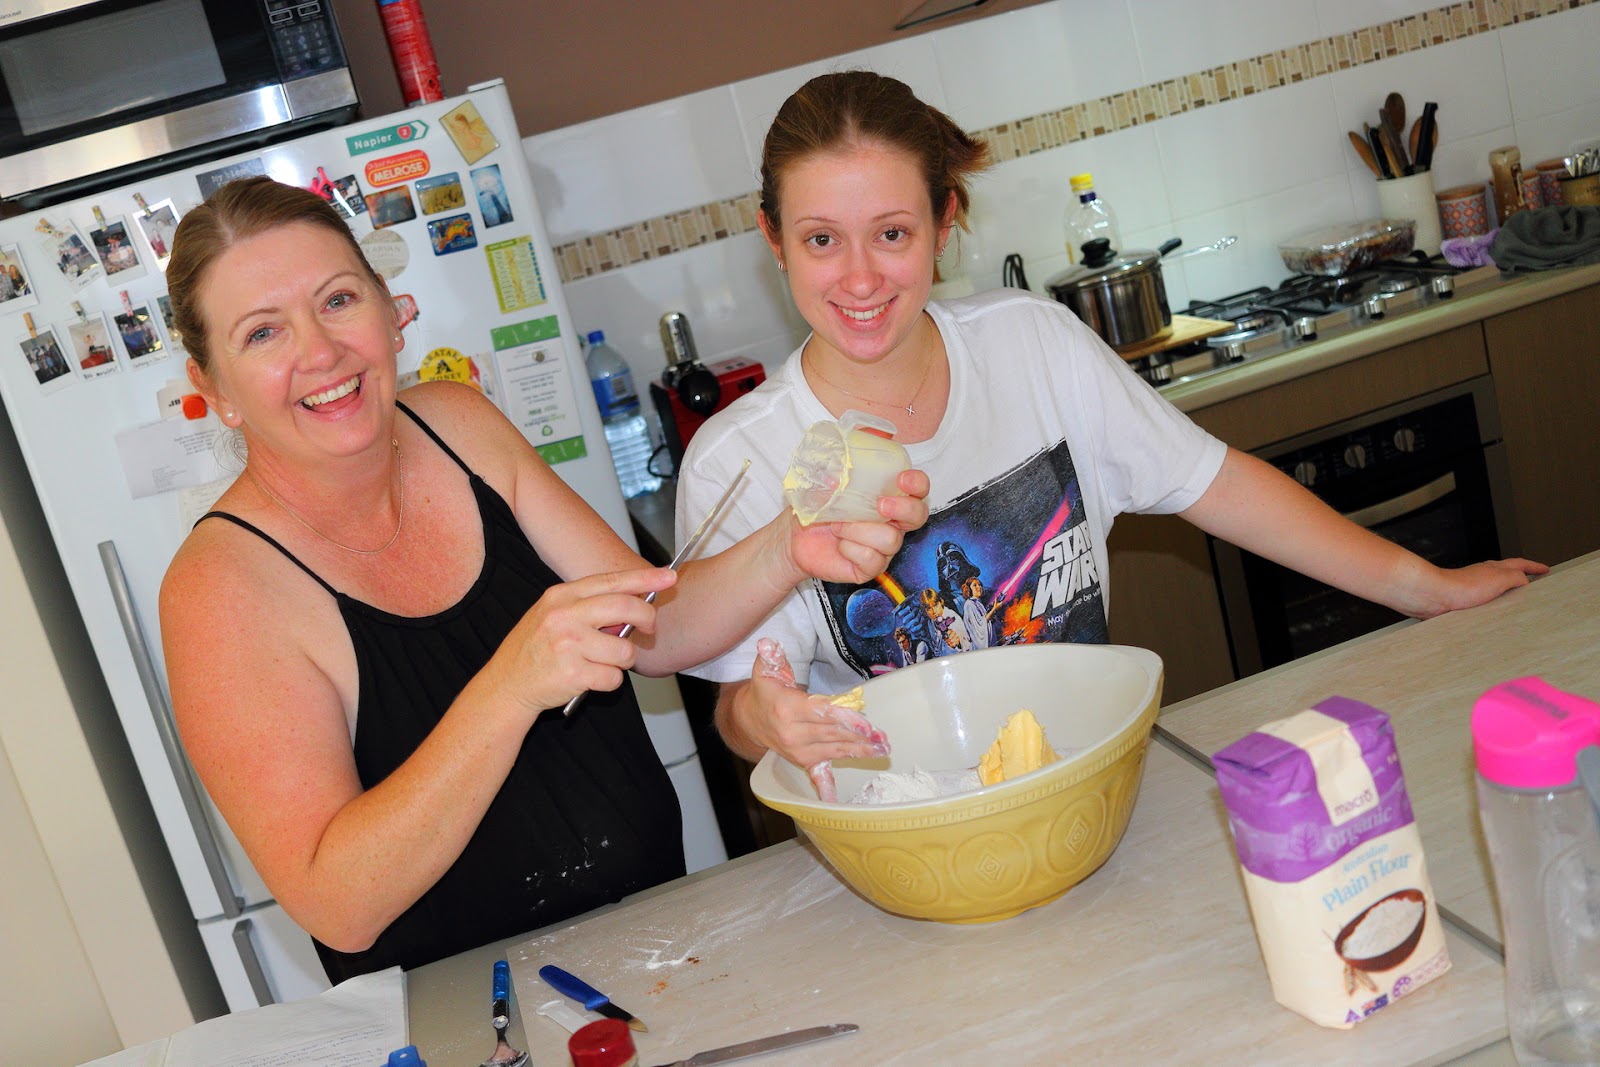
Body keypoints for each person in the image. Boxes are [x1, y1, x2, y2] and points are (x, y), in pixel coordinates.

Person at [674, 70, 1546, 793]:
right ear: (774, 239)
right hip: (903, 856)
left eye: (892, 233)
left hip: (1098, 793)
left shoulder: (1033, 345)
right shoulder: (740, 461)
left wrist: (1426, 588)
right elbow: (739, 709)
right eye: (822, 238)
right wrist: (770, 719)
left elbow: (1220, 484)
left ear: (944, 224)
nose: (858, 277)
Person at [157, 177, 927, 981]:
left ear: (390, 312)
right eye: (262, 334)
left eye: (339, 299)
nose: (320, 351)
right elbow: (340, 904)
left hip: (660, 942)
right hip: (477, 1017)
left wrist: (792, 545)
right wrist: (511, 687)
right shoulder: (221, 589)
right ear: (214, 390)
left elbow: (656, 624)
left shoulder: (459, 423)